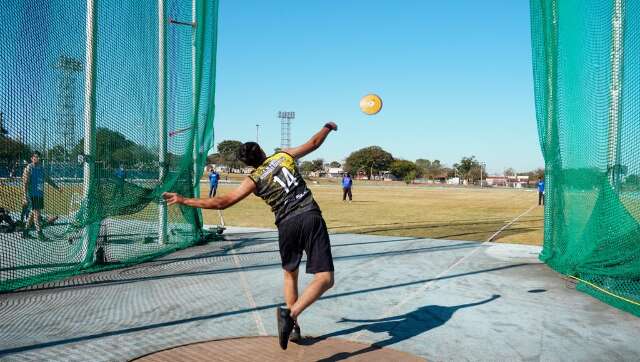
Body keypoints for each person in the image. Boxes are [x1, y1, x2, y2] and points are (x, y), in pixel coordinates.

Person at [163, 122, 338, 350]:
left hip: (286, 225)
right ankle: (291, 314)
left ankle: (293, 327)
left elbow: (222, 203)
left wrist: (185, 200)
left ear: (246, 164)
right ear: (263, 152)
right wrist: (327, 127)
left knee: (290, 275)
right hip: (309, 215)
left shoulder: (253, 179)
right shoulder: (282, 156)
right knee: (325, 278)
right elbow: (313, 143)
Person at [22, 151, 61, 240]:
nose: (38, 158)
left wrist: (57, 187)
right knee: (37, 214)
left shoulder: (40, 168)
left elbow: (47, 179)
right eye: (35, 157)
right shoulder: (29, 168)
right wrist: (25, 196)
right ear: (32, 158)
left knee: (33, 213)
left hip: (39, 194)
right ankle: (40, 234)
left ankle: (25, 232)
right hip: (32, 195)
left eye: (39, 157)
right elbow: (25, 184)